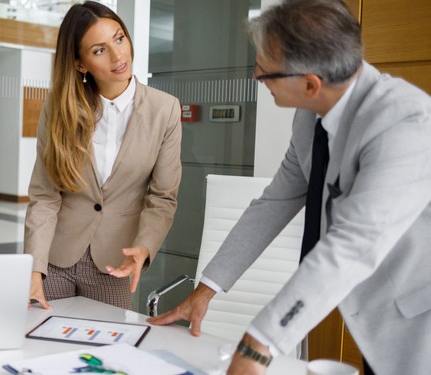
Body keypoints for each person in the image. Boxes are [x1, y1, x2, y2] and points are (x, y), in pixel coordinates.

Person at [148, 1, 431, 374]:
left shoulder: (405, 124)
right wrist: (206, 290)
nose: (255, 77)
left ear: (310, 83)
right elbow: (274, 203)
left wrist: (258, 345)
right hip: (373, 316)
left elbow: (352, 245)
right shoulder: (309, 119)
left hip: (415, 319)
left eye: (265, 71)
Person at [24, 1, 182, 311]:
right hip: (55, 259)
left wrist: (144, 246)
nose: (118, 55)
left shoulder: (165, 110)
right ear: (80, 64)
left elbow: (163, 198)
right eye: (99, 50)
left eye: (119, 38)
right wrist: (34, 269)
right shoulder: (58, 107)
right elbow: (44, 196)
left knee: (106, 353)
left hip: (114, 262)